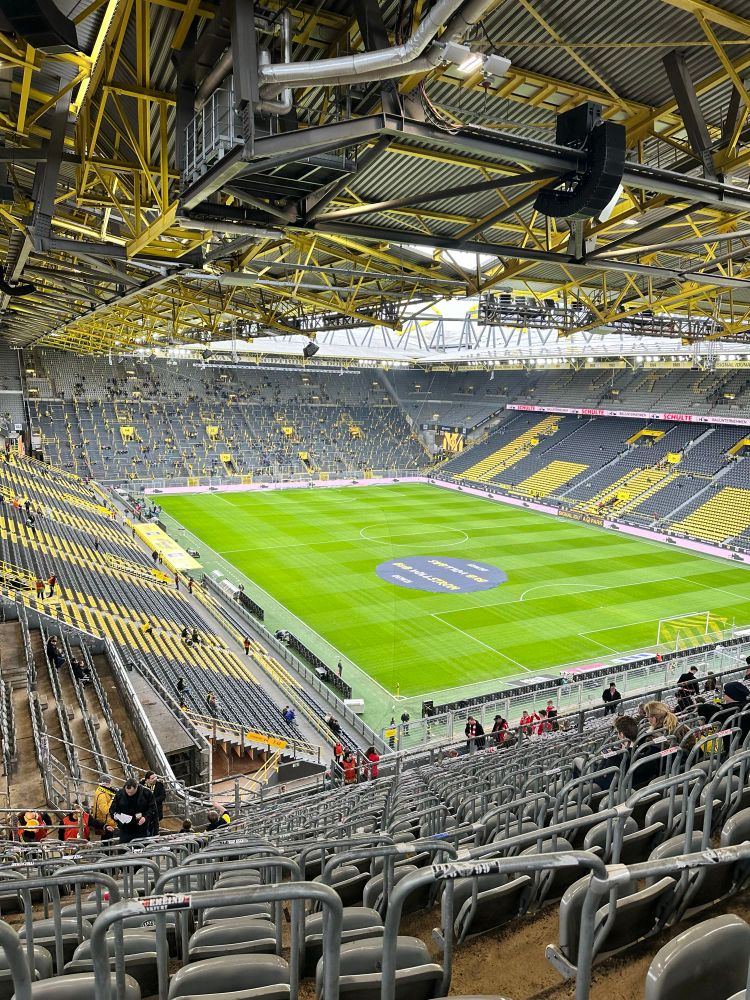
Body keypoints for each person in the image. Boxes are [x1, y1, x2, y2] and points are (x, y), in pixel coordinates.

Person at [109, 777, 158, 844]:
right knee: (124, 848)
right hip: (125, 828)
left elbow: (153, 808)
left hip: (141, 828)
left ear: (136, 788)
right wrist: (114, 815)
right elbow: (112, 809)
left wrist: (145, 817)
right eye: (127, 792)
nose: (129, 794)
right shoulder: (120, 794)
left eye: (131, 792)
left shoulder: (147, 793)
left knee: (141, 847)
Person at [90, 774, 117, 840]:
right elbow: (105, 810)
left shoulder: (101, 790)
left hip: (106, 820)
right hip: (105, 821)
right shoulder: (101, 794)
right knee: (107, 840)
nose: (110, 785)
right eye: (109, 783)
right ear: (106, 784)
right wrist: (113, 800)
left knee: (106, 839)